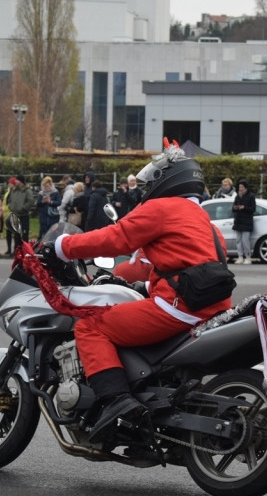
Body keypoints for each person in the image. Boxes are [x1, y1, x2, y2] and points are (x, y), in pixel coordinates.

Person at [44, 142, 232, 441]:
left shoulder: (162, 208)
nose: (148, 188)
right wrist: (143, 286)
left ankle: (116, 401)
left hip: (179, 307)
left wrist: (62, 246)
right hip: (212, 308)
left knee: (91, 327)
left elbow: (117, 239)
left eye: (153, 180)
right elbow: (182, 265)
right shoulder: (205, 222)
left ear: (169, 180)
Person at [231, 178, 255, 264]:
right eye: (239, 187)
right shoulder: (237, 196)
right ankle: (240, 256)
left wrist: (244, 208)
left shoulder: (251, 196)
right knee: (238, 240)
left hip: (247, 222)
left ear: (245, 187)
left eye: (242, 187)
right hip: (238, 221)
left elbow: (253, 209)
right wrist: (235, 208)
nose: (240, 188)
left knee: (245, 241)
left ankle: (248, 257)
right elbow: (233, 208)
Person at [7, 176, 35, 243]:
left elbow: (31, 201)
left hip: (23, 215)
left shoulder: (27, 191)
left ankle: (24, 250)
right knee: (16, 234)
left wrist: (23, 208)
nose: (15, 181)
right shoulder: (14, 190)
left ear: (21, 181)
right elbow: (10, 199)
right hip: (15, 215)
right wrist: (11, 206)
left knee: (24, 233)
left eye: (17, 180)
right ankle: (17, 250)